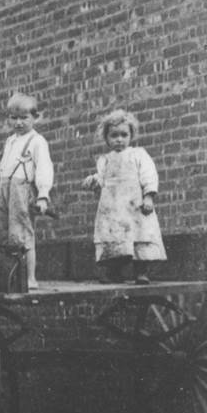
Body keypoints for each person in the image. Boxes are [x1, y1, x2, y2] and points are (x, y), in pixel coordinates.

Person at [83, 109, 165, 285]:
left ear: (131, 135)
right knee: (114, 237)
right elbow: (102, 179)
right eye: (114, 135)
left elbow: (149, 175)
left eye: (123, 135)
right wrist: (94, 181)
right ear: (106, 138)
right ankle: (114, 271)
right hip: (113, 207)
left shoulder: (138, 154)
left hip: (134, 205)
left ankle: (141, 272)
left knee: (140, 235)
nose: (119, 139)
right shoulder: (105, 159)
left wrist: (149, 196)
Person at [0, 93, 55, 290]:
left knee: (23, 233)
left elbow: (44, 168)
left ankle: (30, 278)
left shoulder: (37, 141)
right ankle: (12, 277)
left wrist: (43, 195)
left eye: (24, 118)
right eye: (14, 118)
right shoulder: (10, 141)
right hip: (6, 187)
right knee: (6, 234)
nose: (18, 122)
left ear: (35, 117)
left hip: (22, 189)